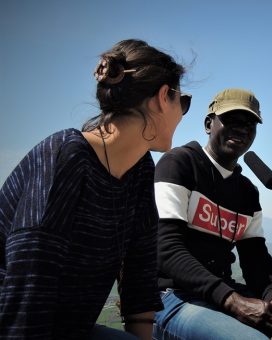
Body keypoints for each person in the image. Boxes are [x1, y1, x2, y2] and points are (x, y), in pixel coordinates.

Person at [0, 39, 191, 339]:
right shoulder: (65, 156)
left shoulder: (140, 170)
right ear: (163, 97)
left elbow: (139, 282)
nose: (182, 113)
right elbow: (28, 293)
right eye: (184, 101)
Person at [153, 88, 272, 340]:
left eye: (250, 123)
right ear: (208, 124)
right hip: (171, 295)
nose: (242, 129)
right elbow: (166, 249)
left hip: (222, 290)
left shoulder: (247, 191)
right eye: (232, 119)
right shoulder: (178, 164)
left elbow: (256, 259)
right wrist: (233, 301)